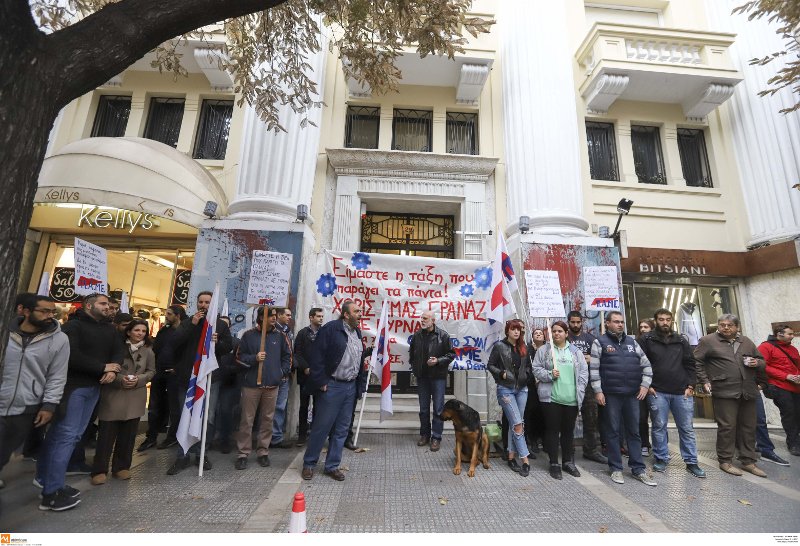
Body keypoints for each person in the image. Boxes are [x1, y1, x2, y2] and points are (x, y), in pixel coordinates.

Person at [36, 293, 124, 511]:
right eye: (103, 304)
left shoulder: (110, 329)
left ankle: (48, 481)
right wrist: (102, 368)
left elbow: (117, 353)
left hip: (95, 387)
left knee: (71, 435)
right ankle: (51, 492)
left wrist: (112, 371)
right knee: (65, 435)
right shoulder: (73, 328)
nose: (107, 308)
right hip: (73, 388)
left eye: (109, 305)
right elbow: (70, 355)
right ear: (89, 305)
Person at [0, 295, 69, 490]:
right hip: (2, 398)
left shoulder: (59, 339)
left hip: (26, 405)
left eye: (52, 312)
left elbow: (57, 375)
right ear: (25, 311)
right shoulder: (5, 331)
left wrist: (49, 405)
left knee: (5, 451)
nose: (50, 316)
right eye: (44, 311)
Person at [166, 291, 232, 475]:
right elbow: (174, 342)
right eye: (201, 301)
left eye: (207, 302)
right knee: (184, 414)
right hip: (188, 378)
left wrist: (217, 342)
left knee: (208, 417)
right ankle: (182, 455)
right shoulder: (188, 322)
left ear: (213, 305)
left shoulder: (220, 324)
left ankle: (201, 453)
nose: (203, 305)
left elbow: (228, 347)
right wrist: (191, 326)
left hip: (211, 378)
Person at [694, 314, 767, 478]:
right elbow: (697, 361)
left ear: (737, 327)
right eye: (722, 325)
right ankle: (725, 460)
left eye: (729, 325)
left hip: (747, 390)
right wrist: (704, 380)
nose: (725, 327)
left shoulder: (746, 341)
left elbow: (762, 361)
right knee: (727, 426)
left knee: (748, 426)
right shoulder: (708, 341)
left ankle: (748, 461)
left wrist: (757, 363)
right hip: (724, 389)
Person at [590, 311, 656, 486]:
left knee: (633, 431)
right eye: (616, 322)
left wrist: (644, 385)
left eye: (622, 322)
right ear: (608, 323)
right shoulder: (599, 342)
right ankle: (616, 468)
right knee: (613, 431)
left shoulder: (632, 342)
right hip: (611, 394)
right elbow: (594, 370)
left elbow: (647, 366)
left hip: (632, 395)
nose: (620, 325)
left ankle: (638, 469)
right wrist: (598, 391)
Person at [301, 301, 366, 481]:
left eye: (360, 311)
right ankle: (309, 463)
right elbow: (317, 356)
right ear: (346, 314)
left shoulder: (357, 332)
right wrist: (321, 381)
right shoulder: (331, 329)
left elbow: (357, 360)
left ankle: (332, 466)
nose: (360, 314)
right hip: (332, 386)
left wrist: (359, 386)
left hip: (350, 387)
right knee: (322, 427)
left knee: (342, 429)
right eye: (357, 311)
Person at [639, 309, 705, 478]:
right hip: (657, 391)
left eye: (668, 319)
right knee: (659, 426)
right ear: (656, 321)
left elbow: (690, 364)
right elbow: (639, 363)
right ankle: (661, 458)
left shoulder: (681, 340)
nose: (665, 322)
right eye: (661, 319)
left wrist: (691, 385)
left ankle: (691, 462)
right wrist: (648, 385)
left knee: (687, 429)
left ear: (672, 321)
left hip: (681, 392)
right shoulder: (647, 339)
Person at [91, 319, 155, 485]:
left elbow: (151, 371)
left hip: (135, 396)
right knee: (106, 435)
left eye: (143, 331)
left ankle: (121, 467)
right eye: (137, 330)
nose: (140, 333)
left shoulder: (148, 350)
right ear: (128, 331)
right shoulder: (116, 347)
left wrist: (139, 379)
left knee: (128, 434)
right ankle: (99, 469)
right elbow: (106, 367)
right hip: (114, 394)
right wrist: (120, 379)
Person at [234, 307, 292, 469]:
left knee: (267, 419)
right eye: (270, 315)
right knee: (247, 419)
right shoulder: (249, 335)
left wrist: (280, 372)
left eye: (275, 315)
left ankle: (263, 451)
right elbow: (239, 357)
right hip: (251, 385)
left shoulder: (280, 336)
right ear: (261, 317)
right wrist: (254, 358)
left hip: (272, 385)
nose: (274, 318)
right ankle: (243, 453)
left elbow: (288, 356)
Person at [532, 320, 588, 480]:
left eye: (560, 331)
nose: (557, 334)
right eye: (554, 331)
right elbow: (536, 369)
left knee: (568, 432)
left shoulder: (575, 352)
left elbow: (584, 372)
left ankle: (568, 462)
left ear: (566, 333)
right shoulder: (544, 350)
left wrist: (581, 389)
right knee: (552, 430)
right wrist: (549, 375)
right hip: (551, 399)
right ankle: (554, 463)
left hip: (571, 398)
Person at [138, 305, 187, 452]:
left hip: (175, 375)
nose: (166, 317)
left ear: (178, 315)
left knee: (174, 408)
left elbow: (187, 353)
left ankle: (171, 437)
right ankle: (151, 437)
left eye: (170, 314)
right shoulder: (164, 330)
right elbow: (156, 349)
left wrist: (178, 368)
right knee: (154, 406)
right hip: (159, 372)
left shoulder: (185, 331)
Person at [487, 319, 532, 477]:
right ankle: (525, 460)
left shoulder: (523, 347)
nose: (516, 332)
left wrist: (526, 375)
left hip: (522, 389)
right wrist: (501, 373)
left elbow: (527, 366)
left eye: (518, 329)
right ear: (507, 331)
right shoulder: (499, 346)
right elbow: (490, 364)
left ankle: (511, 457)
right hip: (505, 389)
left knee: (517, 423)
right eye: (513, 329)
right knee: (518, 424)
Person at [408, 310, 455, 452]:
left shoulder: (443, 336)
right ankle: (424, 435)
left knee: (438, 409)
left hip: (438, 378)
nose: (422, 320)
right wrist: (415, 368)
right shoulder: (417, 335)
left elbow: (451, 354)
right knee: (423, 409)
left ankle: (436, 437)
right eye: (421, 318)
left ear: (433, 321)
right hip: (422, 377)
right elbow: (412, 353)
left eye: (425, 318)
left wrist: (438, 361)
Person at [567, 311, 607, 464]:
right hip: (569, 383)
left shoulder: (590, 339)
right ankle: (568, 449)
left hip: (588, 384)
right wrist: (582, 359)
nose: (575, 325)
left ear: (582, 322)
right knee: (568, 419)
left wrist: (590, 358)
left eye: (578, 322)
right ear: (568, 322)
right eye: (573, 322)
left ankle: (590, 450)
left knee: (591, 418)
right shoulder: (565, 338)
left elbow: (599, 358)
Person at [758, 324, 800, 457]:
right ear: (779, 334)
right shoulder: (765, 347)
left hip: (796, 386)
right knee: (789, 414)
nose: (792, 336)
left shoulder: (792, 349)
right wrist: (786, 376)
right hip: (779, 386)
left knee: (798, 413)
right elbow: (762, 366)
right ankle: (793, 443)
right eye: (790, 334)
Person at [293, 307, 324, 447]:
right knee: (304, 405)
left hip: (318, 376)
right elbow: (297, 353)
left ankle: (316, 435)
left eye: (322, 316)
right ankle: (302, 436)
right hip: (305, 375)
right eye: (318, 316)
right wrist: (305, 367)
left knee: (319, 406)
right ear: (311, 317)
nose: (321, 318)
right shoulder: (302, 333)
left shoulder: (324, 333)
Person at [271, 307, 294, 448]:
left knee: (280, 406)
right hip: (274, 374)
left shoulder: (287, 331)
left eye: (291, 315)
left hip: (285, 374)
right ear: (279, 315)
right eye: (287, 315)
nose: (289, 317)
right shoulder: (274, 331)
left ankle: (276, 437)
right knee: (270, 407)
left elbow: (289, 353)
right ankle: (269, 437)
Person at [636, 319, 655, 458]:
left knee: (658, 419)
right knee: (641, 418)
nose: (643, 329)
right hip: (640, 386)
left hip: (656, 387)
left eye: (646, 327)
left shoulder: (656, 345)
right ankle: (644, 444)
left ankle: (661, 446)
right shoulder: (635, 344)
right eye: (641, 327)